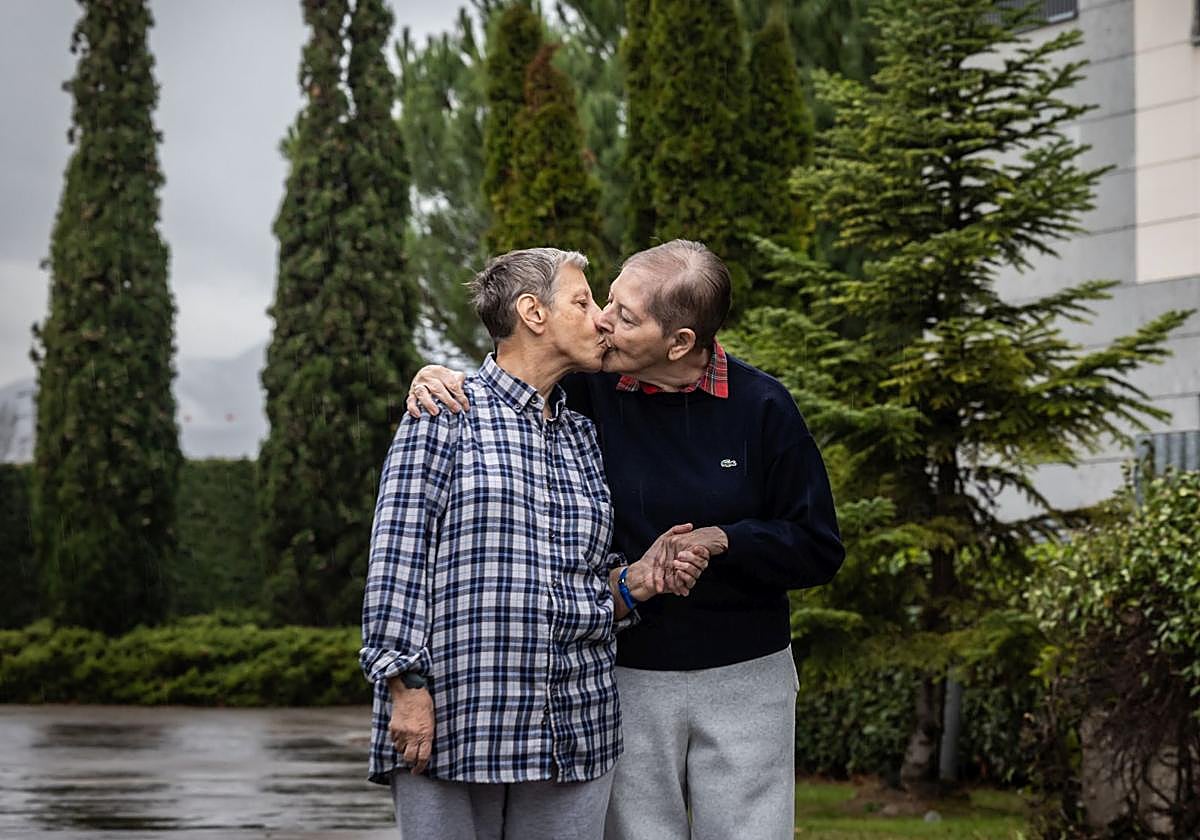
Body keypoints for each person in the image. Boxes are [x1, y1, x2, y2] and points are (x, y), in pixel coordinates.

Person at [407, 239, 845, 840]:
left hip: (747, 677)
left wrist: (726, 540)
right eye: (606, 300)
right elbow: (513, 381)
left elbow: (818, 545)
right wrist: (439, 375)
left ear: (680, 342)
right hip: (627, 675)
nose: (602, 321)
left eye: (625, 315)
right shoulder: (589, 391)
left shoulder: (762, 406)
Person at [360, 247, 710, 840]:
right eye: (583, 301)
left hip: (573, 727)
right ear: (533, 312)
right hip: (459, 721)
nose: (601, 317)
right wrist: (405, 688)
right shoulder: (445, 414)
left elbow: (581, 582)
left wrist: (636, 580)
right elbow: (397, 563)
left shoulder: (581, 435)